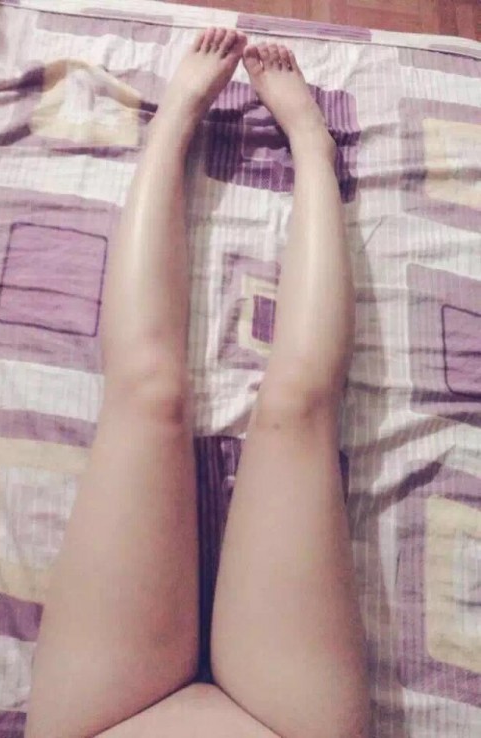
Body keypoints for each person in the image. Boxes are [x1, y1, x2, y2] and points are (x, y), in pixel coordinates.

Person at [24, 27, 370, 738]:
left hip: (95, 723)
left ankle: (175, 123)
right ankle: (312, 146)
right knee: (299, 407)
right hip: (292, 728)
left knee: (146, 393)